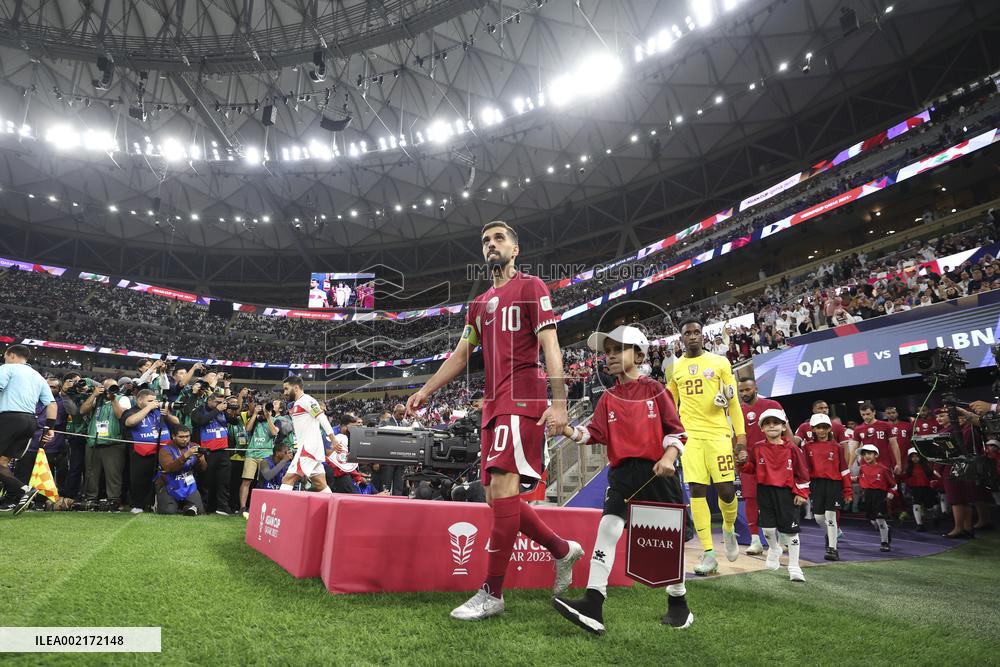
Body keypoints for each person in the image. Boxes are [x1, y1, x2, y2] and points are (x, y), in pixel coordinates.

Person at [406, 220, 583, 621]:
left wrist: (559, 402)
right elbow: (460, 356)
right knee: (495, 499)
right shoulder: (479, 304)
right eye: (486, 240)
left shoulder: (532, 287)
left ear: (515, 249)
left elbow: (550, 345)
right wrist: (426, 390)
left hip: (523, 396)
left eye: (499, 238)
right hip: (492, 403)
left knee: (504, 489)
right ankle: (561, 549)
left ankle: (492, 592)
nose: (491, 244)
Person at [551, 326, 692, 634]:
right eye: (608, 352)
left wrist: (668, 458)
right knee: (608, 528)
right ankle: (593, 602)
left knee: (666, 543)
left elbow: (677, 431)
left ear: (639, 355)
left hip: (657, 471)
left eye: (618, 350)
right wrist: (565, 429)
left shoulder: (655, 389)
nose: (610, 356)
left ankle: (679, 604)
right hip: (622, 474)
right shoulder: (608, 397)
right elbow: (592, 434)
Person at [665, 317, 745, 575]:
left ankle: (729, 527)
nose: (692, 336)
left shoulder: (720, 362)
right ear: (681, 338)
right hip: (691, 438)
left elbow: (732, 402)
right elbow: (669, 405)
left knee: (725, 490)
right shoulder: (675, 368)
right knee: (697, 490)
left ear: (703, 335)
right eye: (687, 333)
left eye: (696, 332)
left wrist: (740, 437)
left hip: (719, 434)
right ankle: (709, 553)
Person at [737, 409, 809, 582]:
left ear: (784, 426)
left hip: (787, 493)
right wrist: (742, 463)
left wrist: (802, 493)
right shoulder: (757, 448)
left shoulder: (792, 448)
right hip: (764, 492)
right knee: (768, 529)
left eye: (776, 423)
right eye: (767, 423)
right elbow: (751, 468)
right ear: (761, 428)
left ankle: (794, 566)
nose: (772, 426)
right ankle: (774, 548)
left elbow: (803, 473)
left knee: (790, 532)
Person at [0, 345, 58, 515]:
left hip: (8, 419)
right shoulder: (39, 377)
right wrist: (50, 429)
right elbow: (52, 404)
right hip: (30, 422)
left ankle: (24, 490)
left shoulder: (7, 368)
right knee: (2, 463)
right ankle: (25, 490)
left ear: (10, 355)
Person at [737, 378, 792, 556]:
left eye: (747, 389)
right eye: (742, 391)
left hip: (774, 461)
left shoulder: (772, 404)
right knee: (751, 500)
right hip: (750, 464)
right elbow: (736, 436)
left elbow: (787, 430)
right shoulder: (738, 410)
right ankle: (755, 541)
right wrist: (737, 455)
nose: (744, 393)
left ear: (755, 389)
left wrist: (792, 448)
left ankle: (783, 539)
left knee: (778, 500)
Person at [121, 389, 180, 514]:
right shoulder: (131, 411)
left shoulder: (159, 410)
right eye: (150, 401)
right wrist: (148, 408)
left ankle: (158, 504)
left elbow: (177, 423)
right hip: (142, 452)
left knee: (163, 479)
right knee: (141, 479)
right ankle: (138, 505)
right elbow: (130, 422)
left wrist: (168, 415)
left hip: (163, 451)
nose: (154, 403)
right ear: (140, 400)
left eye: (154, 400)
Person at [803, 414, 852, 561]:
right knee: (818, 518)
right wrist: (805, 488)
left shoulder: (837, 447)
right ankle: (831, 534)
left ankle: (832, 548)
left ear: (829, 428)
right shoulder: (807, 447)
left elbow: (844, 469)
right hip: (816, 485)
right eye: (818, 427)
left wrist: (848, 490)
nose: (822, 430)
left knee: (831, 517)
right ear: (813, 429)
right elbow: (805, 470)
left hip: (834, 485)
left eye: (824, 427)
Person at [280, 375, 337, 493]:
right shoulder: (297, 404)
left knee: (287, 479)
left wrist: (333, 440)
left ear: (296, 388)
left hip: (308, 449)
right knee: (320, 484)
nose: (284, 392)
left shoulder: (307, 400)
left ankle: (280, 510)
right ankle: (334, 510)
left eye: (286, 389)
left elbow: (322, 418)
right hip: (310, 448)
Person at [79, 379, 128, 512]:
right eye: (109, 387)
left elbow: (121, 416)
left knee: (113, 475)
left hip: (113, 443)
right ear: (102, 388)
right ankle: (90, 500)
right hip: (93, 441)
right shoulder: (97, 398)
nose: (112, 389)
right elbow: (82, 410)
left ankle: (113, 500)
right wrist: (94, 394)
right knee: (91, 473)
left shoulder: (122, 399)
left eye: (114, 387)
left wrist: (113, 399)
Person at [188, 392, 234, 515]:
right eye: (217, 402)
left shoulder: (222, 411)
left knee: (223, 481)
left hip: (223, 450)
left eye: (221, 402)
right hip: (206, 451)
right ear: (209, 400)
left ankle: (222, 507)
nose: (220, 405)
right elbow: (200, 421)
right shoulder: (199, 410)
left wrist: (230, 409)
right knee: (205, 481)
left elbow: (234, 421)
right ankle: (203, 506)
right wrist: (217, 410)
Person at [239, 399, 280, 516]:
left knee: (264, 481)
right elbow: (247, 429)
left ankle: (259, 507)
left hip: (266, 455)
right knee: (246, 480)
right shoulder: (255, 418)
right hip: (251, 453)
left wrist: (268, 417)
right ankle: (242, 508)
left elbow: (274, 433)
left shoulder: (276, 420)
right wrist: (255, 414)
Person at [154, 425, 207, 515]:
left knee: (200, 512)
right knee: (168, 512)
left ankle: (186, 507)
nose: (185, 439)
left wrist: (201, 458)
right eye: (181, 437)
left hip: (188, 484)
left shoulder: (194, 446)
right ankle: (158, 503)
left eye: (187, 436)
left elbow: (203, 469)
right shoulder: (165, 450)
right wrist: (186, 456)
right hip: (168, 485)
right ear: (173, 436)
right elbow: (169, 468)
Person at [856, 444, 897, 551]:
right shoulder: (863, 468)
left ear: (876, 455)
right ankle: (887, 529)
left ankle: (885, 543)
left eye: (869, 453)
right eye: (864, 454)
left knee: (880, 519)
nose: (867, 456)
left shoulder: (883, 469)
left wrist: (890, 495)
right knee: (872, 520)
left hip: (880, 496)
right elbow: (859, 479)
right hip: (868, 495)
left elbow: (894, 485)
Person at [853, 402, 901, 475]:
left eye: (868, 414)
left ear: (874, 412)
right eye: (863, 414)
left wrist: (898, 463)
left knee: (888, 486)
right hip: (867, 465)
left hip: (885, 464)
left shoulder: (886, 425)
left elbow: (894, 445)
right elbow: (854, 448)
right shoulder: (858, 429)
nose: (865, 417)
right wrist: (849, 466)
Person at [902, 447, 939, 532]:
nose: (915, 458)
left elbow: (935, 475)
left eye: (917, 456)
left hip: (927, 489)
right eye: (913, 457)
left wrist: (935, 482)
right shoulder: (908, 468)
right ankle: (919, 524)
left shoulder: (927, 466)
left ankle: (935, 517)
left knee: (930, 506)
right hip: (915, 489)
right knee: (916, 504)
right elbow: (904, 478)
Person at [376, 404, 409, 496]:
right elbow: (379, 441)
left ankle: (397, 505)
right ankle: (383, 504)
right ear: (394, 413)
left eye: (404, 414)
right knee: (385, 485)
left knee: (399, 485)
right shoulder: (385, 422)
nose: (402, 416)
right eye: (400, 414)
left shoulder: (406, 423)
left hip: (401, 458)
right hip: (388, 458)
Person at [326, 413, 363, 493]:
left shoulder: (349, 435)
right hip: (331, 469)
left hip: (342, 469)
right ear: (344, 426)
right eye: (352, 428)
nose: (353, 430)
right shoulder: (331, 434)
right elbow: (329, 455)